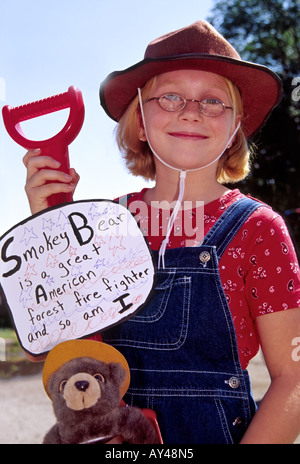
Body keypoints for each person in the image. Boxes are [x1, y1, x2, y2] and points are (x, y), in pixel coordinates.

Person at [23, 20, 300, 444]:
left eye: (212, 101)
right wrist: (49, 230)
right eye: (169, 96)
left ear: (235, 126)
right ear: (139, 118)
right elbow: (51, 346)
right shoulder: (100, 226)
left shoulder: (258, 230)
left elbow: (292, 378)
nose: (191, 110)